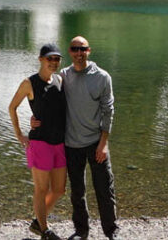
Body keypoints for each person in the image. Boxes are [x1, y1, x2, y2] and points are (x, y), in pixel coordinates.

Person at [34, 35, 118, 240]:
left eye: (83, 49)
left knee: (105, 190)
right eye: (74, 49)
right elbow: (45, 98)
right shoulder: (62, 76)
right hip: (71, 145)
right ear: (70, 52)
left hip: (96, 143)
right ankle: (81, 231)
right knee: (77, 193)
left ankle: (112, 232)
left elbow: (109, 111)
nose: (79, 53)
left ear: (89, 51)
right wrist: (35, 118)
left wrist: (104, 144)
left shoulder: (102, 77)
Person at [10, 43, 68, 240]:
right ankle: (45, 230)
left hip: (59, 143)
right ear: (41, 60)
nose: (53, 62)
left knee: (59, 189)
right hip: (40, 143)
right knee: (41, 189)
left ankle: (37, 221)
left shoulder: (60, 80)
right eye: (49, 58)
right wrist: (19, 134)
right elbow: (12, 107)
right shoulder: (29, 83)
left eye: (57, 59)